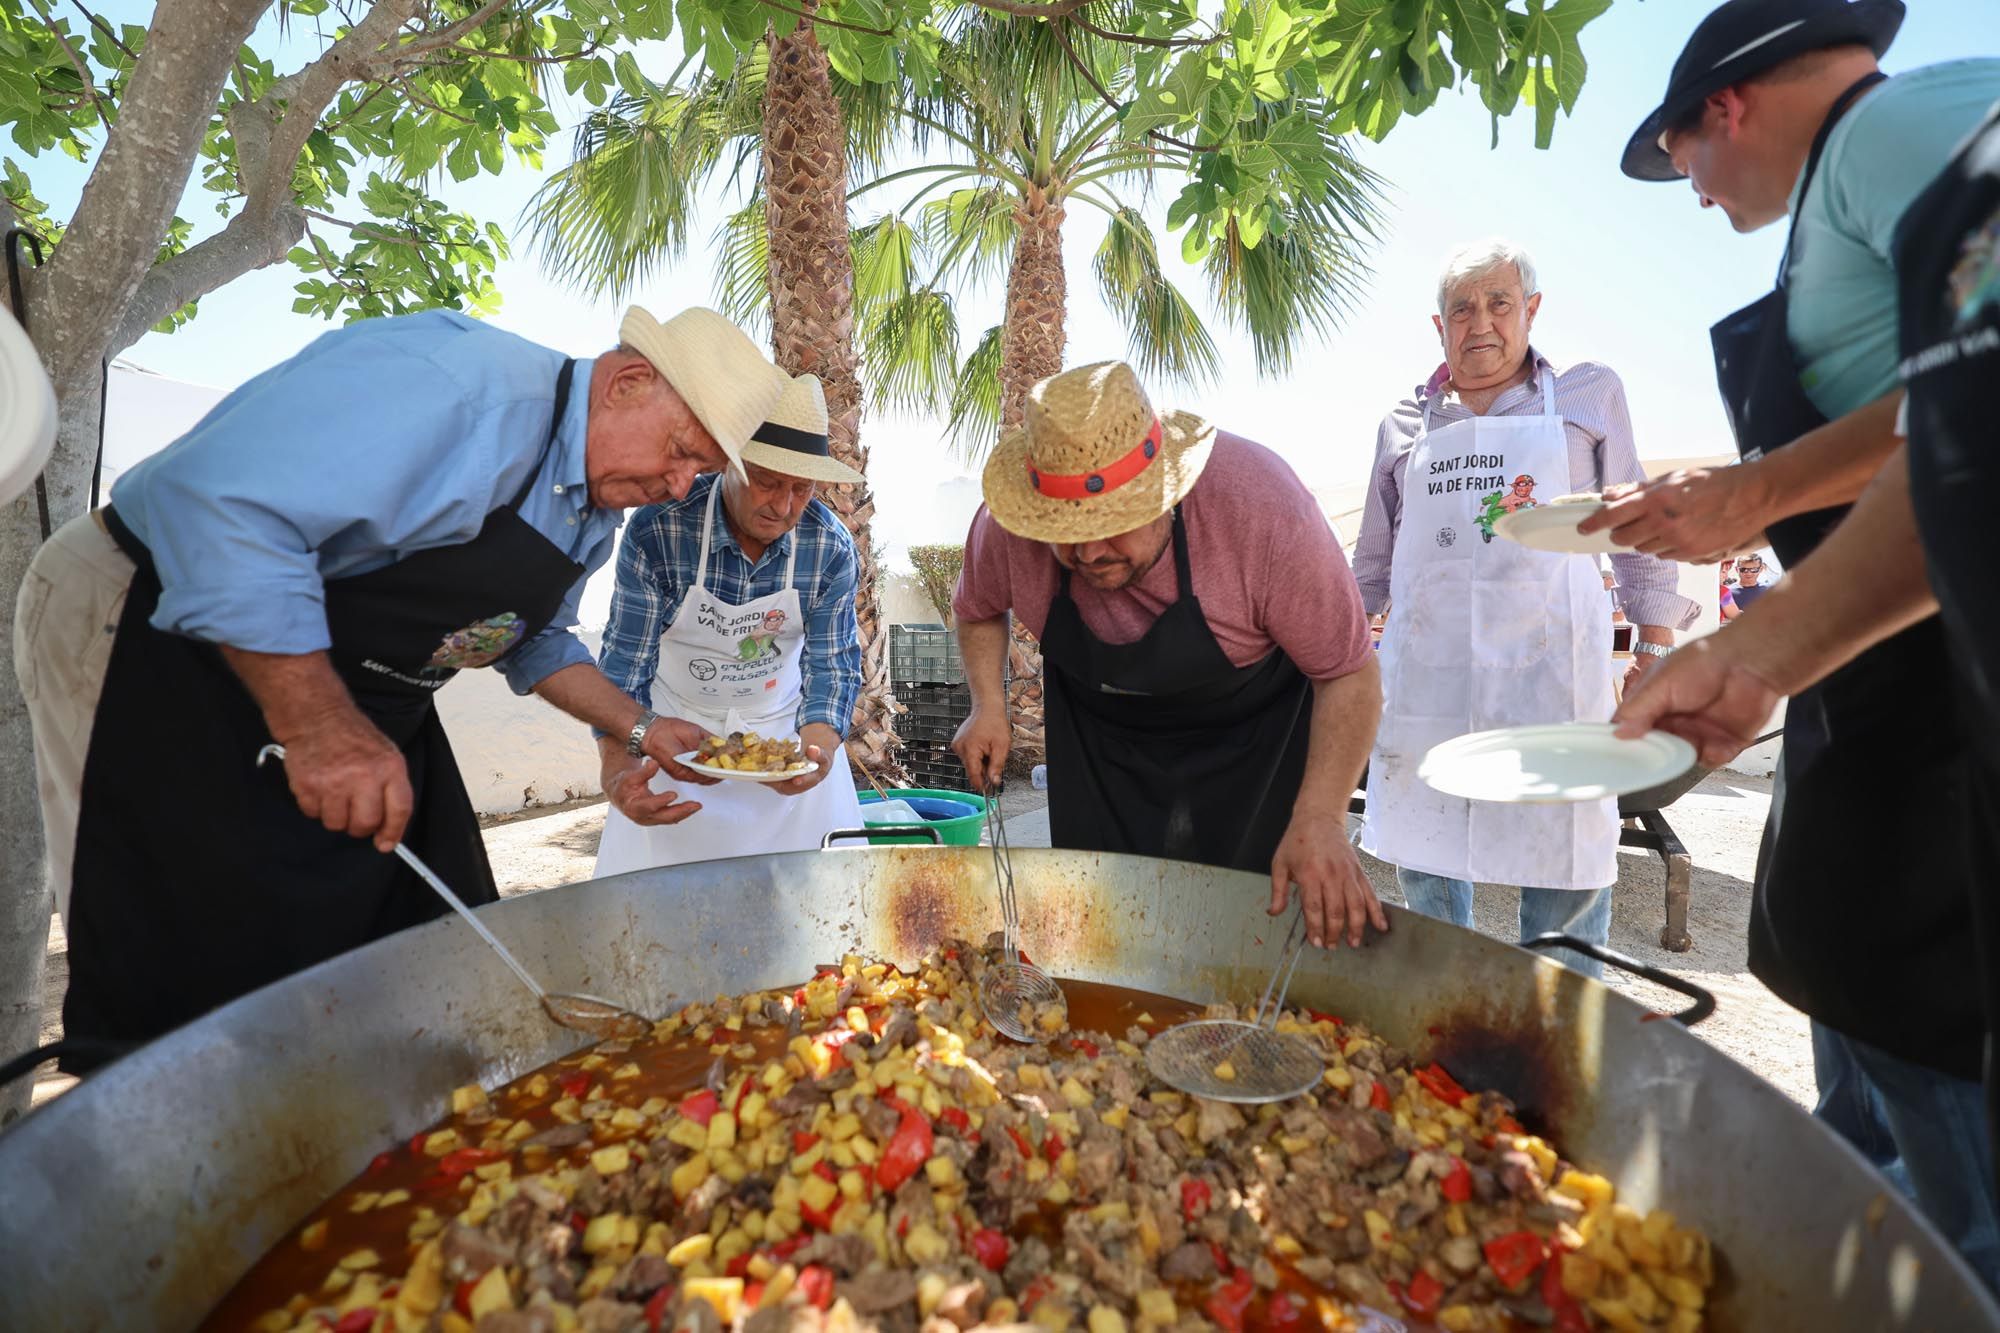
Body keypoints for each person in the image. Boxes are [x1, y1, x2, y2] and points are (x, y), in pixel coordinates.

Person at [13, 305, 793, 1067]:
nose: (682, 482)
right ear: (627, 383)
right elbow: (222, 510)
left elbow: (532, 640)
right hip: (154, 633)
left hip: (360, 703)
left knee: (430, 950)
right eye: (682, 450)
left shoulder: (591, 510)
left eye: (703, 472)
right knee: (187, 969)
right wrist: (320, 726)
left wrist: (641, 729)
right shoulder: (463, 390)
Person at [1596, 0, 2000, 1281]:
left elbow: (1980, 394)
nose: (1698, 198)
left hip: (1939, 712)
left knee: (1948, 1123)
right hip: (1862, 687)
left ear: (1722, 106)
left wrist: (1760, 540)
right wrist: (1748, 502)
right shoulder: (1848, 199)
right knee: (1862, 1073)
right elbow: (1928, 412)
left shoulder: (1897, 125)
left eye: (1684, 164)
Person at [949, 361, 1384, 951]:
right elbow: (976, 607)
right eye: (1067, 532)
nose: (1092, 550)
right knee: (1100, 938)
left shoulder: (1261, 509)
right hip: (1098, 746)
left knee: (1246, 942)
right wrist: (987, 704)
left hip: (1251, 746)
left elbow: (1349, 674)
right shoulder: (1009, 526)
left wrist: (1323, 819)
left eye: (1115, 522)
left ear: (1168, 490)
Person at [1351, 239, 1698, 979]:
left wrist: (1656, 647)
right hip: (1429, 693)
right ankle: (1440, 1019)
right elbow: (1371, 570)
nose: (1481, 322)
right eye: (1461, 308)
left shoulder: (1585, 396)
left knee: (1565, 869)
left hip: (1552, 684)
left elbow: (1639, 530)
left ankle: (1559, 1044)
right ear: (1437, 326)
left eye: (1499, 303)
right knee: (1428, 862)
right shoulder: (1402, 426)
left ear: (1531, 311)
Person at [593, 374, 867, 872]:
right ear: (729, 466)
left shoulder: (828, 547)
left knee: (817, 907)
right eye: (766, 482)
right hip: (674, 741)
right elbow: (625, 665)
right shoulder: (661, 528)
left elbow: (834, 665)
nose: (783, 507)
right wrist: (618, 765)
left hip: (786, 738)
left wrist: (818, 751)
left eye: (801, 489)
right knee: (662, 918)